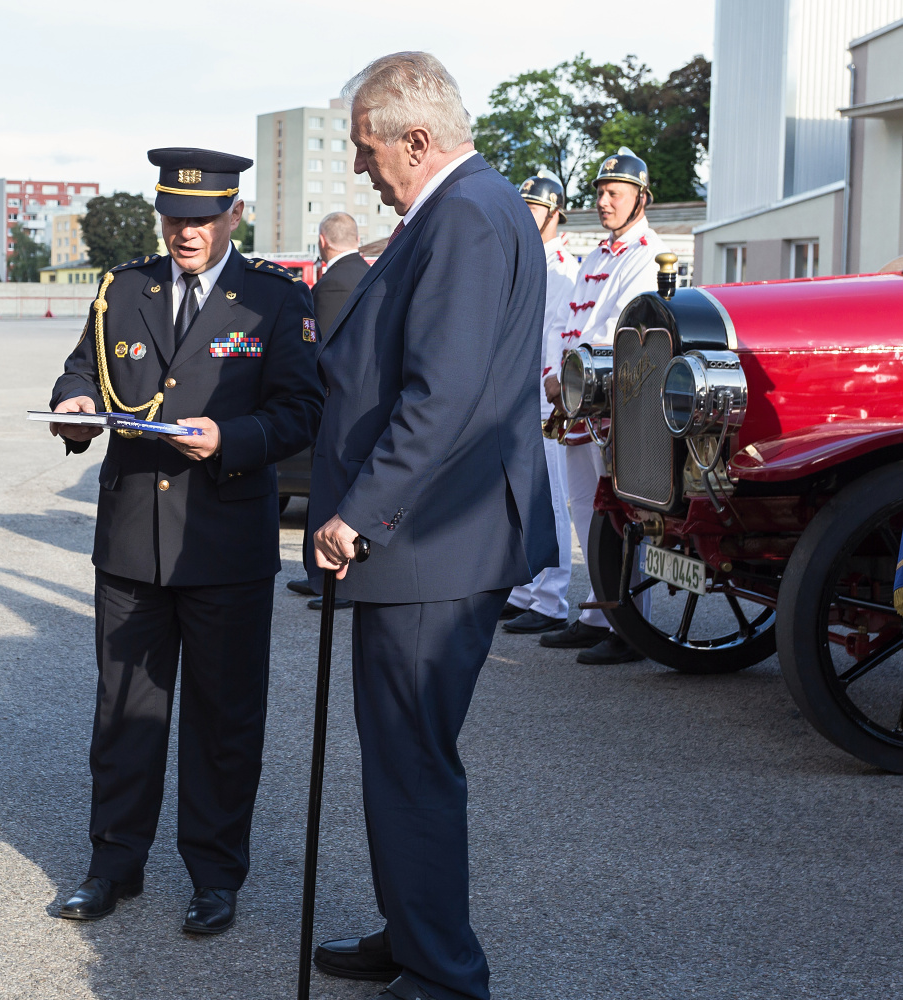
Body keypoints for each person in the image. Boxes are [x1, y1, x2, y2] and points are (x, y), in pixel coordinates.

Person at [307, 52, 556, 1000]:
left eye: (372, 152)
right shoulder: (464, 210)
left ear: (418, 139)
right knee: (401, 754)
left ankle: (444, 974)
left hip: (430, 541)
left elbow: (441, 394)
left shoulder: (464, 215)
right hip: (430, 537)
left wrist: (359, 515)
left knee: (412, 756)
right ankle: (414, 928)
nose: (366, 172)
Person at [48, 147, 323, 935]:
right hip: (133, 538)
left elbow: (303, 410)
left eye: (202, 219)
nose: (187, 232)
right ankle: (112, 865)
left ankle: (214, 874)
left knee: (224, 718)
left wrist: (230, 438)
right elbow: (83, 372)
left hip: (225, 540)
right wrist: (72, 406)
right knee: (125, 712)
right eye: (175, 217)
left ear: (234, 215)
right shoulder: (121, 289)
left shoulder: (271, 298)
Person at [538, 147, 665, 666]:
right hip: (581, 400)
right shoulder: (598, 254)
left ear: (641, 198)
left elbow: (618, 328)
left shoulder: (646, 254)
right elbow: (571, 324)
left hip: (618, 402)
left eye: (614, 192)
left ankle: (631, 627)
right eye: (600, 192)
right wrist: (559, 377)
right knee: (587, 513)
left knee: (622, 516)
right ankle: (598, 612)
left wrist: (565, 377)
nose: (603, 200)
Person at [500, 170, 578, 636]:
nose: (525, 216)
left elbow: (560, 336)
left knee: (551, 499)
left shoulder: (564, 267)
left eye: (533, 208)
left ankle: (550, 599)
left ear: (553, 213)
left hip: (549, 397)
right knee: (525, 496)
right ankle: (526, 589)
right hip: (522, 394)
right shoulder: (529, 259)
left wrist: (557, 390)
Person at [287, 210, 371, 610]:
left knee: (333, 494)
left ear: (322, 241)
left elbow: (318, 353)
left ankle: (332, 582)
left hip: (335, 404)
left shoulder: (333, 284)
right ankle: (317, 575)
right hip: (360, 407)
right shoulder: (368, 272)